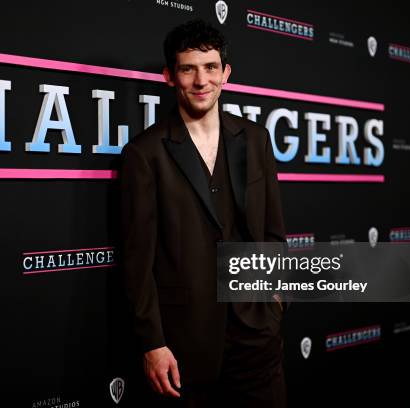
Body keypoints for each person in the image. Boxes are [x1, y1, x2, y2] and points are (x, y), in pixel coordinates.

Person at [120, 19, 287, 407]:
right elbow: (136, 260)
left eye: (211, 67)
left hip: (258, 336)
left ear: (226, 73)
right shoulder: (145, 153)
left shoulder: (257, 139)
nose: (201, 80)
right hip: (184, 346)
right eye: (188, 68)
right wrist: (153, 343)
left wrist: (277, 302)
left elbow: (274, 231)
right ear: (169, 76)